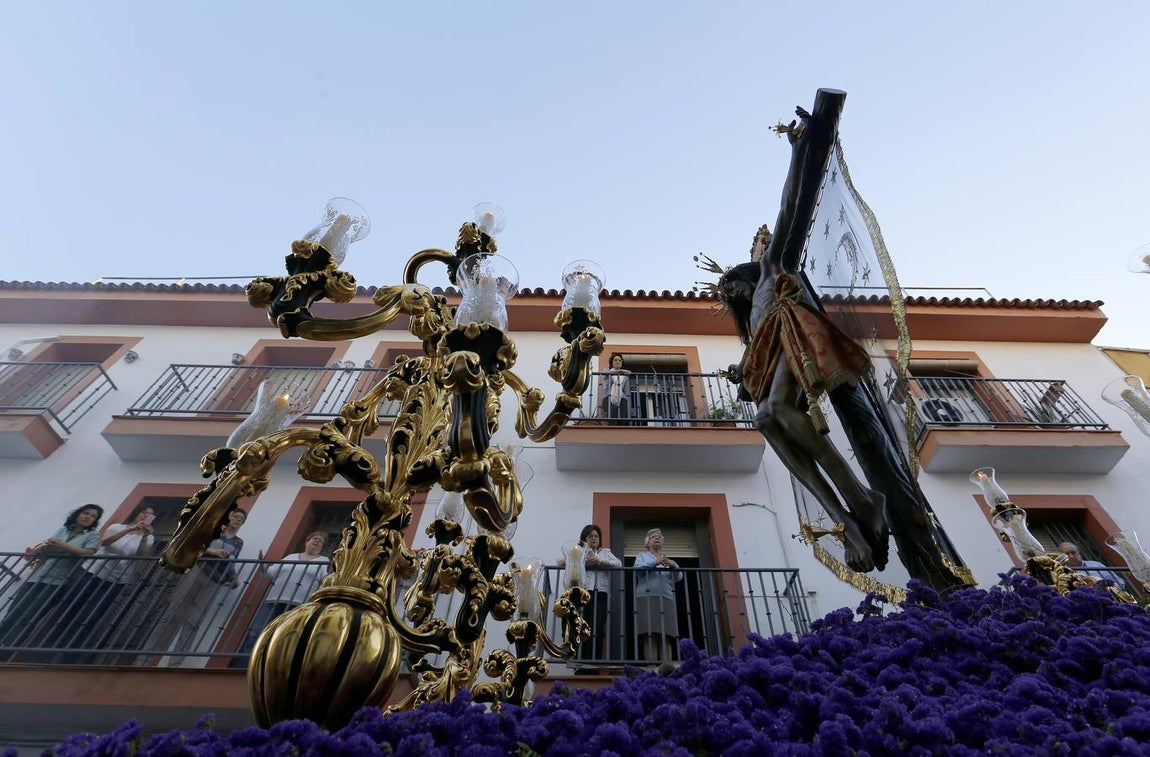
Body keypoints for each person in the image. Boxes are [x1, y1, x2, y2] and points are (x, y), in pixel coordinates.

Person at [0, 504, 104, 660]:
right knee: (13, 612)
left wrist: (63, 545)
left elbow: (88, 552)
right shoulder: (64, 529)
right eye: (85, 513)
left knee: (28, 617)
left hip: (57, 582)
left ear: (95, 521)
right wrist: (40, 550)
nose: (88, 517)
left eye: (93, 516)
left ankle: (4, 654)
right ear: (77, 514)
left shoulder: (92, 535)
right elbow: (50, 548)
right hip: (37, 576)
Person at [59, 505, 155, 658]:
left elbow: (143, 556)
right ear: (137, 513)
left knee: (92, 616)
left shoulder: (149, 537)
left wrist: (143, 536)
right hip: (92, 572)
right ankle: (52, 642)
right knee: (71, 605)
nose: (146, 516)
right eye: (144, 512)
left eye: (150, 515)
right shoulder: (117, 527)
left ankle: (72, 653)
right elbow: (104, 542)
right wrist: (130, 529)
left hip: (117, 580)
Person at [158, 507, 247, 667]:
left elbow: (231, 561)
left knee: (194, 621)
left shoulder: (238, 542)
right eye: (236, 517)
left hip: (215, 580)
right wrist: (212, 551)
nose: (238, 520)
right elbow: (195, 544)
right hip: (197, 570)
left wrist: (233, 577)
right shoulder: (215, 531)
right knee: (173, 612)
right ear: (229, 518)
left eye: (241, 519)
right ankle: (148, 653)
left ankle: (175, 663)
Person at [231, 531, 330, 667]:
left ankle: (269, 669)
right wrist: (262, 563)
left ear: (322, 547)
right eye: (315, 538)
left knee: (284, 639)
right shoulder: (291, 557)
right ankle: (242, 667)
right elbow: (270, 572)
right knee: (256, 633)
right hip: (273, 601)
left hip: (298, 607)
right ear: (307, 542)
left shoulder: (323, 561)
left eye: (321, 541)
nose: (317, 541)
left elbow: (325, 580)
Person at [556, 524, 622, 664]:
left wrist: (599, 561)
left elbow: (618, 564)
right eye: (590, 536)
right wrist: (578, 561)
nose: (594, 538)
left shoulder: (605, 552)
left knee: (596, 629)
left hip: (601, 594)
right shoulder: (579, 552)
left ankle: (593, 663)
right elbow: (560, 562)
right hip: (582, 594)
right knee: (579, 627)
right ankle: (580, 662)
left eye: (596, 536)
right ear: (584, 539)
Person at [633, 528, 683, 663]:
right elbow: (637, 570)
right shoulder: (642, 556)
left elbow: (678, 577)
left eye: (660, 537)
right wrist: (655, 562)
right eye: (653, 537)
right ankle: (651, 671)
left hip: (666, 598)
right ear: (647, 543)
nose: (657, 538)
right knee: (650, 635)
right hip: (646, 598)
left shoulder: (667, 560)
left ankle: (666, 670)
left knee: (665, 636)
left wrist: (673, 565)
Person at [1059, 542, 1124, 587]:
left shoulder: (1096, 565)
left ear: (1079, 553)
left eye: (1073, 552)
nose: (1071, 556)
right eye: (1067, 554)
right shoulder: (1063, 573)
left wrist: (1110, 589)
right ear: (1063, 557)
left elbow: (1119, 582)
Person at [598, 354, 632, 425]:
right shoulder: (607, 370)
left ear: (622, 363)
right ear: (612, 362)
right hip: (608, 398)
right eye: (615, 360)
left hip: (622, 398)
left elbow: (626, 391)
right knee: (612, 419)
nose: (618, 361)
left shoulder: (625, 377)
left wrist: (627, 402)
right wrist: (622, 371)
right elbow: (607, 373)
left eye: (620, 360)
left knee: (622, 421)